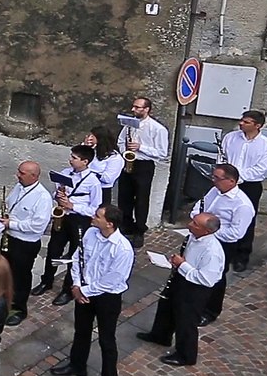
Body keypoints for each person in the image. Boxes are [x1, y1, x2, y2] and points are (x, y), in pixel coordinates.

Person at [49, 205, 134, 376]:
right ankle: (77, 365)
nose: (93, 217)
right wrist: (77, 284)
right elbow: (78, 259)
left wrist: (83, 291)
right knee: (81, 330)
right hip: (84, 288)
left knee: (107, 339)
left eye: (97, 216)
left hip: (107, 298)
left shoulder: (122, 249)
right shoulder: (90, 234)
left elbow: (111, 280)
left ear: (109, 224)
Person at [137, 212, 224, 367]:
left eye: (195, 224)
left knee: (186, 320)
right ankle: (161, 335)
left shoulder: (212, 252)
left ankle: (186, 355)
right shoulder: (193, 236)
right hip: (182, 278)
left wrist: (182, 265)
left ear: (206, 231)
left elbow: (207, 279)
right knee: (166, 306)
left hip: (195, 288)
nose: (190, 224)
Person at [34, 144, 101, 306]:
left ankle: (67, 289)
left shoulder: (93, 182)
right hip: (62, 217)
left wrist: (72, 206)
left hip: (80, 220)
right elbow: (55, 192)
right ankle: (47, 281)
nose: (70, 160)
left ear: (85, 161)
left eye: (74, 158)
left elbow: (95, 209)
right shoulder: (65, 173)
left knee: (74, 255)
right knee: (53, 250)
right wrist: (58, 196)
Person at [196, 163, 255, 325]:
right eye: (213, 176)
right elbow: (199, 208)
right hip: (204, 236)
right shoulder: (215, 190)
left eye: (217, 178)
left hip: (223, 243)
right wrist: (199, 222)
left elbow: (236, 233)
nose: (213, 181)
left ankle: (211, 311)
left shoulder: (242, 205)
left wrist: (209, 230)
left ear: (231, 181)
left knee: (216, 275)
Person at [220, 109, 267, 271]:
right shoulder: (230, 138)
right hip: (226, 182)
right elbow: (222, 157)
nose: (241, 123)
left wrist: (235, 178)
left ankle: (242, 256)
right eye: (242, 120)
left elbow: (259, 169)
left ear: (257, 126)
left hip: (249, 184)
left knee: (246, 219)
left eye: (246, 122)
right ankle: (225, 251)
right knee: (224, 215)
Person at [0, 161, 52, 326]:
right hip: (9, 237)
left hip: (25, 243)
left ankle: (19, 309)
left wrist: (12, 224)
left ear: (34, 176)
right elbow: (10, 203)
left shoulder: (43, 198)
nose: (18, 175)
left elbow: (37, 226)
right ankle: (4, 300)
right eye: (19, 171)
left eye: (22, 173)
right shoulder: (19, 186)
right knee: (6, 272)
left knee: (21, 277)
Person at [114, 96, 168, 248]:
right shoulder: (130, 124)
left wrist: (140, 148)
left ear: (147, 109)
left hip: (144, 165)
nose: (133, 110)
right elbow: (120, 140)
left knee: (142, 199)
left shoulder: (158, 129)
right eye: (134, 107)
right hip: (129, 161)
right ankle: (126, 225)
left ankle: (139, 230)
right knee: (124, 196)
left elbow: (162, 153)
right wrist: (126, 153)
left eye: (137, 107)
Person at [85, 126, 122, 205]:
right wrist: (84, 149)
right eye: (89, 136)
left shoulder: (115, 158)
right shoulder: (92, 151)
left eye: (92, 137)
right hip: (86, 187)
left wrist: (88, 172)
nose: (89, 139)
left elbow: (108, 179)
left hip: (102, 191)